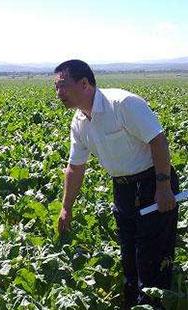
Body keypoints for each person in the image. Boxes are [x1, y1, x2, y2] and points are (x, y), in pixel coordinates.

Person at [54, 60, 179, 308]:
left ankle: (154, 304)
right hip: (122, 189)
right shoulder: (79, 121)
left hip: (152, 182)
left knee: (151, 257)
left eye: (63, 86)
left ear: (85, 83)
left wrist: (163, 187)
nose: (59, 93)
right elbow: (75, 167)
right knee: (129, 256)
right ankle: (134, 302)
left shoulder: (122, 104)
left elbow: (159, 142)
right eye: (56, 88)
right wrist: (66, 207)